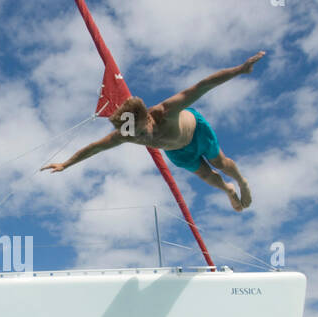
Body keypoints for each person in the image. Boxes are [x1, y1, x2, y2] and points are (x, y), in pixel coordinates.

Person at [41, 51, 265, 212]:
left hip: (196, 132)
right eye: (133, 135)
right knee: (207, 176)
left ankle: (242, 182)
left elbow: (203, 85)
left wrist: (240, 70)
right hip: (177, 152)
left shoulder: (166, 110)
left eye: (140, 131)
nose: (139, 138)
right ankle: (228, 189)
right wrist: (65, 164)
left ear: (148, 116)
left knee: (220, 164)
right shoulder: (127, 132)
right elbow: (95, 147)